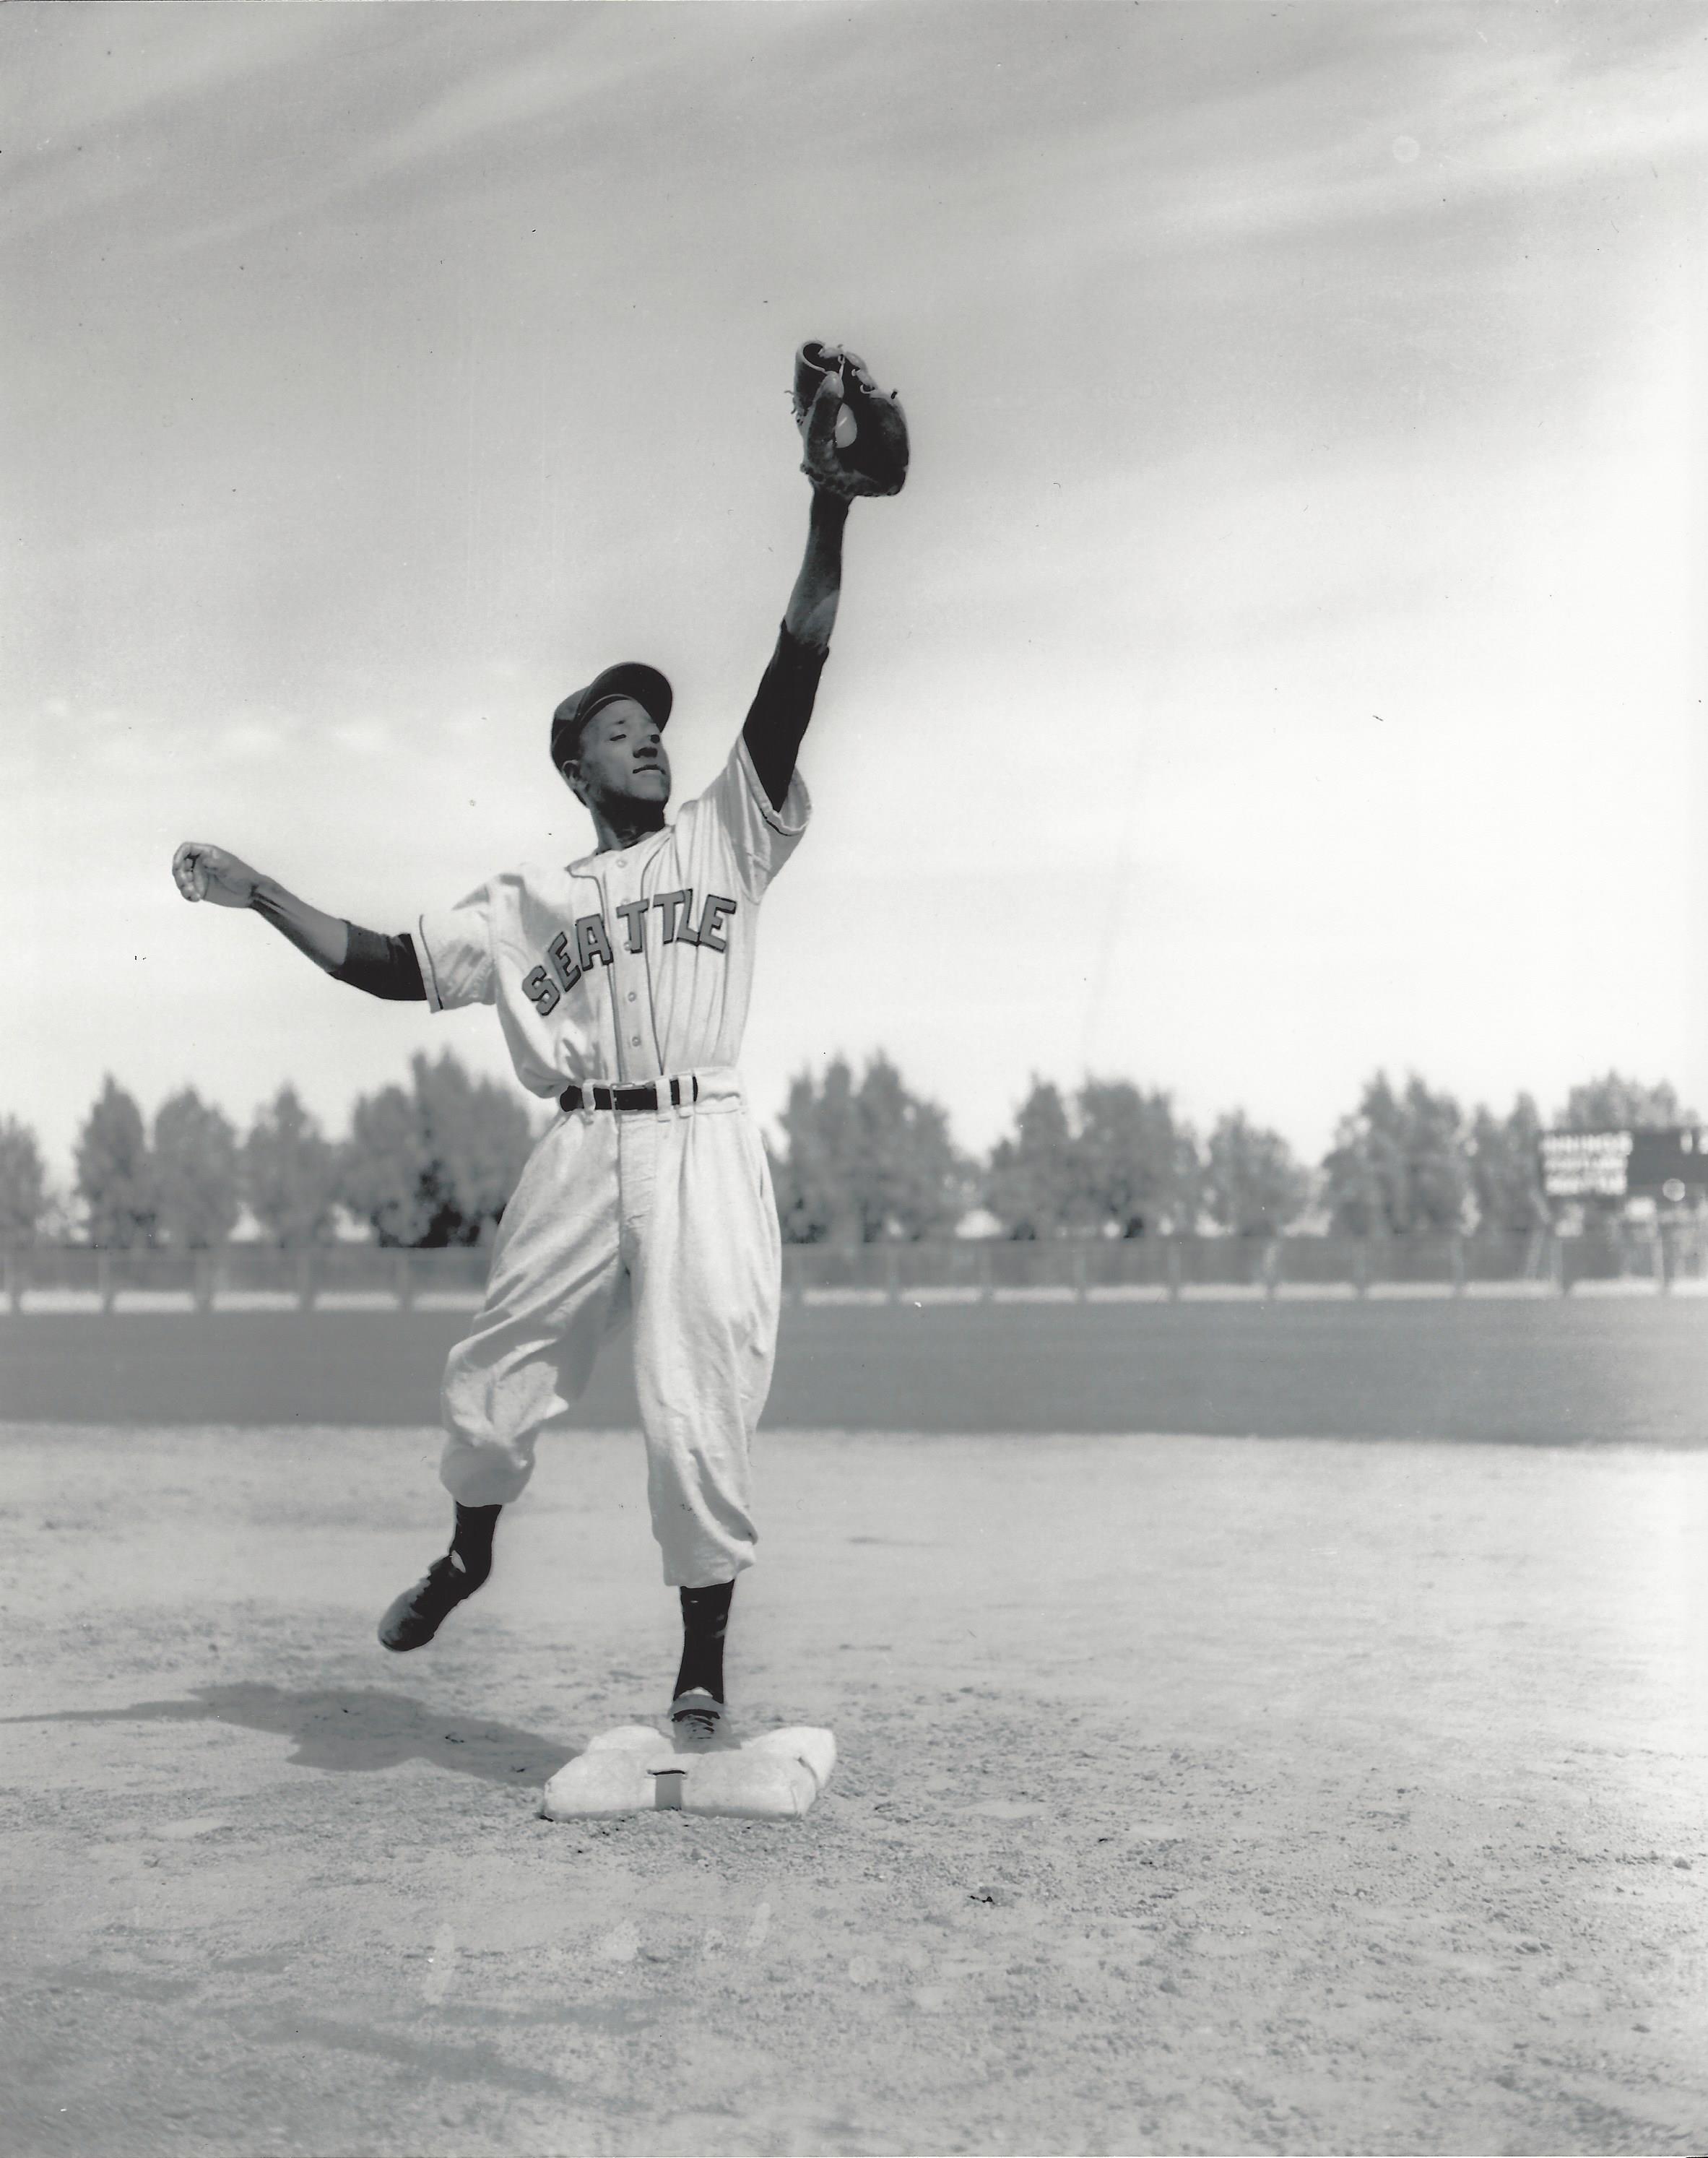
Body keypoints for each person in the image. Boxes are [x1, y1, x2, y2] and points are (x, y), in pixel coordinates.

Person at [171, 349, 903, 1743]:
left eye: (652, 734)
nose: (647, 746)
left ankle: (701, 1661)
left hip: (701, 1141)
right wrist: (259, 889)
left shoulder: (724, 834)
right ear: (574, 766)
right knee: (495, 1382)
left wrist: (829, 510)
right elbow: (389, 967)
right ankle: (467, 1549)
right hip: (581, 1145)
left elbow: (795, 661)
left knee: (699, 1405)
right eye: (619, 734)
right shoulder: (528, 903)